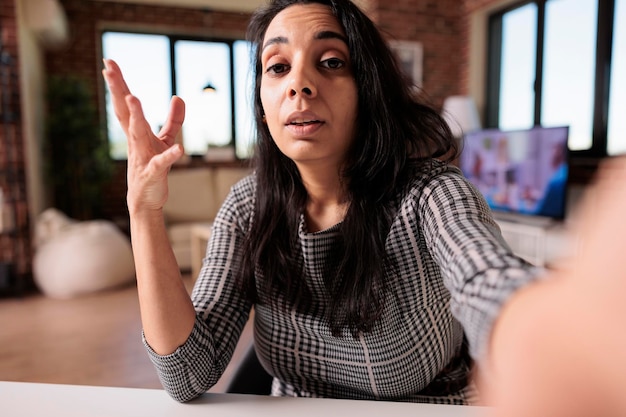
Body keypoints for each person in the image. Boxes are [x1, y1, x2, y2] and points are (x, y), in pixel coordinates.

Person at [102, 0, 626, 413]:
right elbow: (185, 374)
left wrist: (559, 337)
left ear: (368, 90)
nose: (299, 85)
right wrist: (143, 211)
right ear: (262, 104)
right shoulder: (248, 207)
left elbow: (485, 280)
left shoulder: (430, 192)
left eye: (331, 62)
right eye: (277, 67)